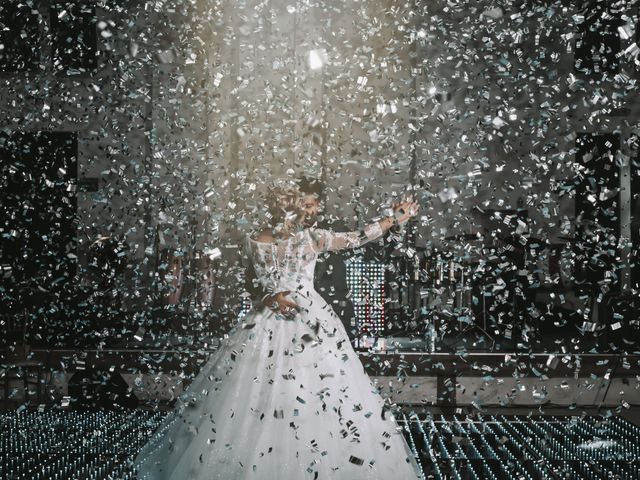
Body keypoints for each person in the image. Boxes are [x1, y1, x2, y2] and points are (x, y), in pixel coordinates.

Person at [133, 182, 422, 479]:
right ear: (292, 207)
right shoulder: (310, 238)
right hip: (302, 317)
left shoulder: (256, 239)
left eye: (310, 206)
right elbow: (357, 238)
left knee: (263, 393)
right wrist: (394, 218)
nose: (310, 211)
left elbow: (250, 282)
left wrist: (269, 297)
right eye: (305, 205)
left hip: (272, 319)